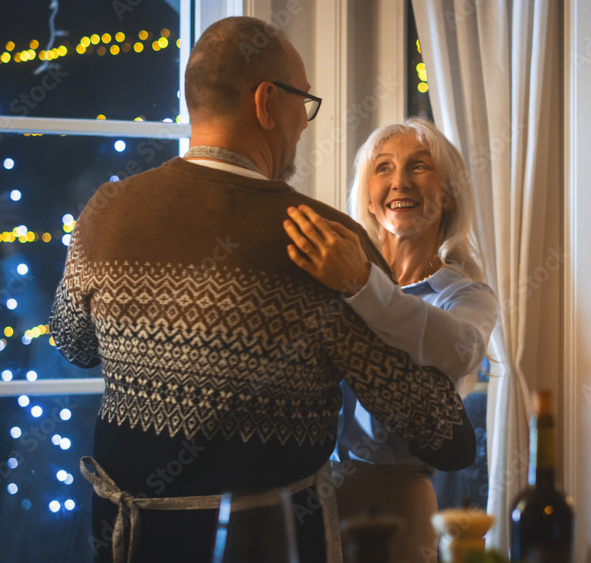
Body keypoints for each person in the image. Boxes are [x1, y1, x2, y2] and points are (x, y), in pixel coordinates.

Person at [48, 18, 475, 563]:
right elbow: (444, 436)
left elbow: (73, 344)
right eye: (303, 102)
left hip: (127, 543)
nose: (303, 123)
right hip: (271, 544)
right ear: (267, 102)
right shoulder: (323, 244)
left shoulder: (105, 211)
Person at [282, 118, 498, 562]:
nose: (399, 180)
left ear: (449, 194)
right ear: (367, 196)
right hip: (309, 492)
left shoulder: (466, 295)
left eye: (419, 167)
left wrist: (362, 283)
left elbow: (461, 348)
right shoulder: (332, 277)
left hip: (398, 496)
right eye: (383, 167)